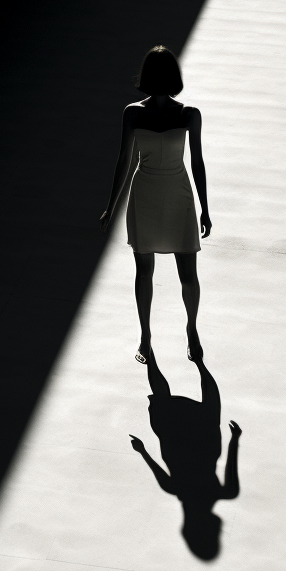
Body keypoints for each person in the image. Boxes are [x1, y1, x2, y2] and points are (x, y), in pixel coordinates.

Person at [99, 45, 210, 364]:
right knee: (146, 271)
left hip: (177, 198)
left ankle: (191, 329)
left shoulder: (189, 114)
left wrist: (204, 207)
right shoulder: (133, 113)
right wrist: (111, 205)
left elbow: (198, 162)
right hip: (146, 197)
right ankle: (146, 336)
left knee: (186, 274)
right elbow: (123, 161)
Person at [129, 351, 240, 561]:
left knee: (208, 404)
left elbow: (231, 464)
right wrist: (142, 450)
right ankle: (152, 355)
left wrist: (235, 439)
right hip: (178, 441)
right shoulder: (173, 488)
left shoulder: (226, 492)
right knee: (165, 398)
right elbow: (154, 466)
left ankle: (196, 361)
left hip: (202, 443)